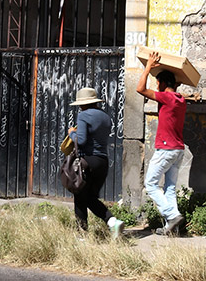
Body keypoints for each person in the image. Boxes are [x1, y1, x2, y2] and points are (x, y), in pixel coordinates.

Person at [136, 53, 186, 236]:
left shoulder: (166, 98)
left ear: (164, 84)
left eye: (158, 84)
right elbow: (174, 89)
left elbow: (140, 89)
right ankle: (171, 229)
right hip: (178, 150)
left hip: (166, 148)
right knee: (170, 188)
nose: (157, 87)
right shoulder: (181, 100)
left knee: (150, 184)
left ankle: (172, 216)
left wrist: (148, 66)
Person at [68, 87, 124, 238]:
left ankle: (81, 235)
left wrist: (71, 133)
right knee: (91, 197)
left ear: (83, 103)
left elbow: (82, 140)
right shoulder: (105, 116)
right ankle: (112, 221)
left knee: (80, 197)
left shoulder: (83, 115)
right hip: (102, 161)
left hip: (87, 161)